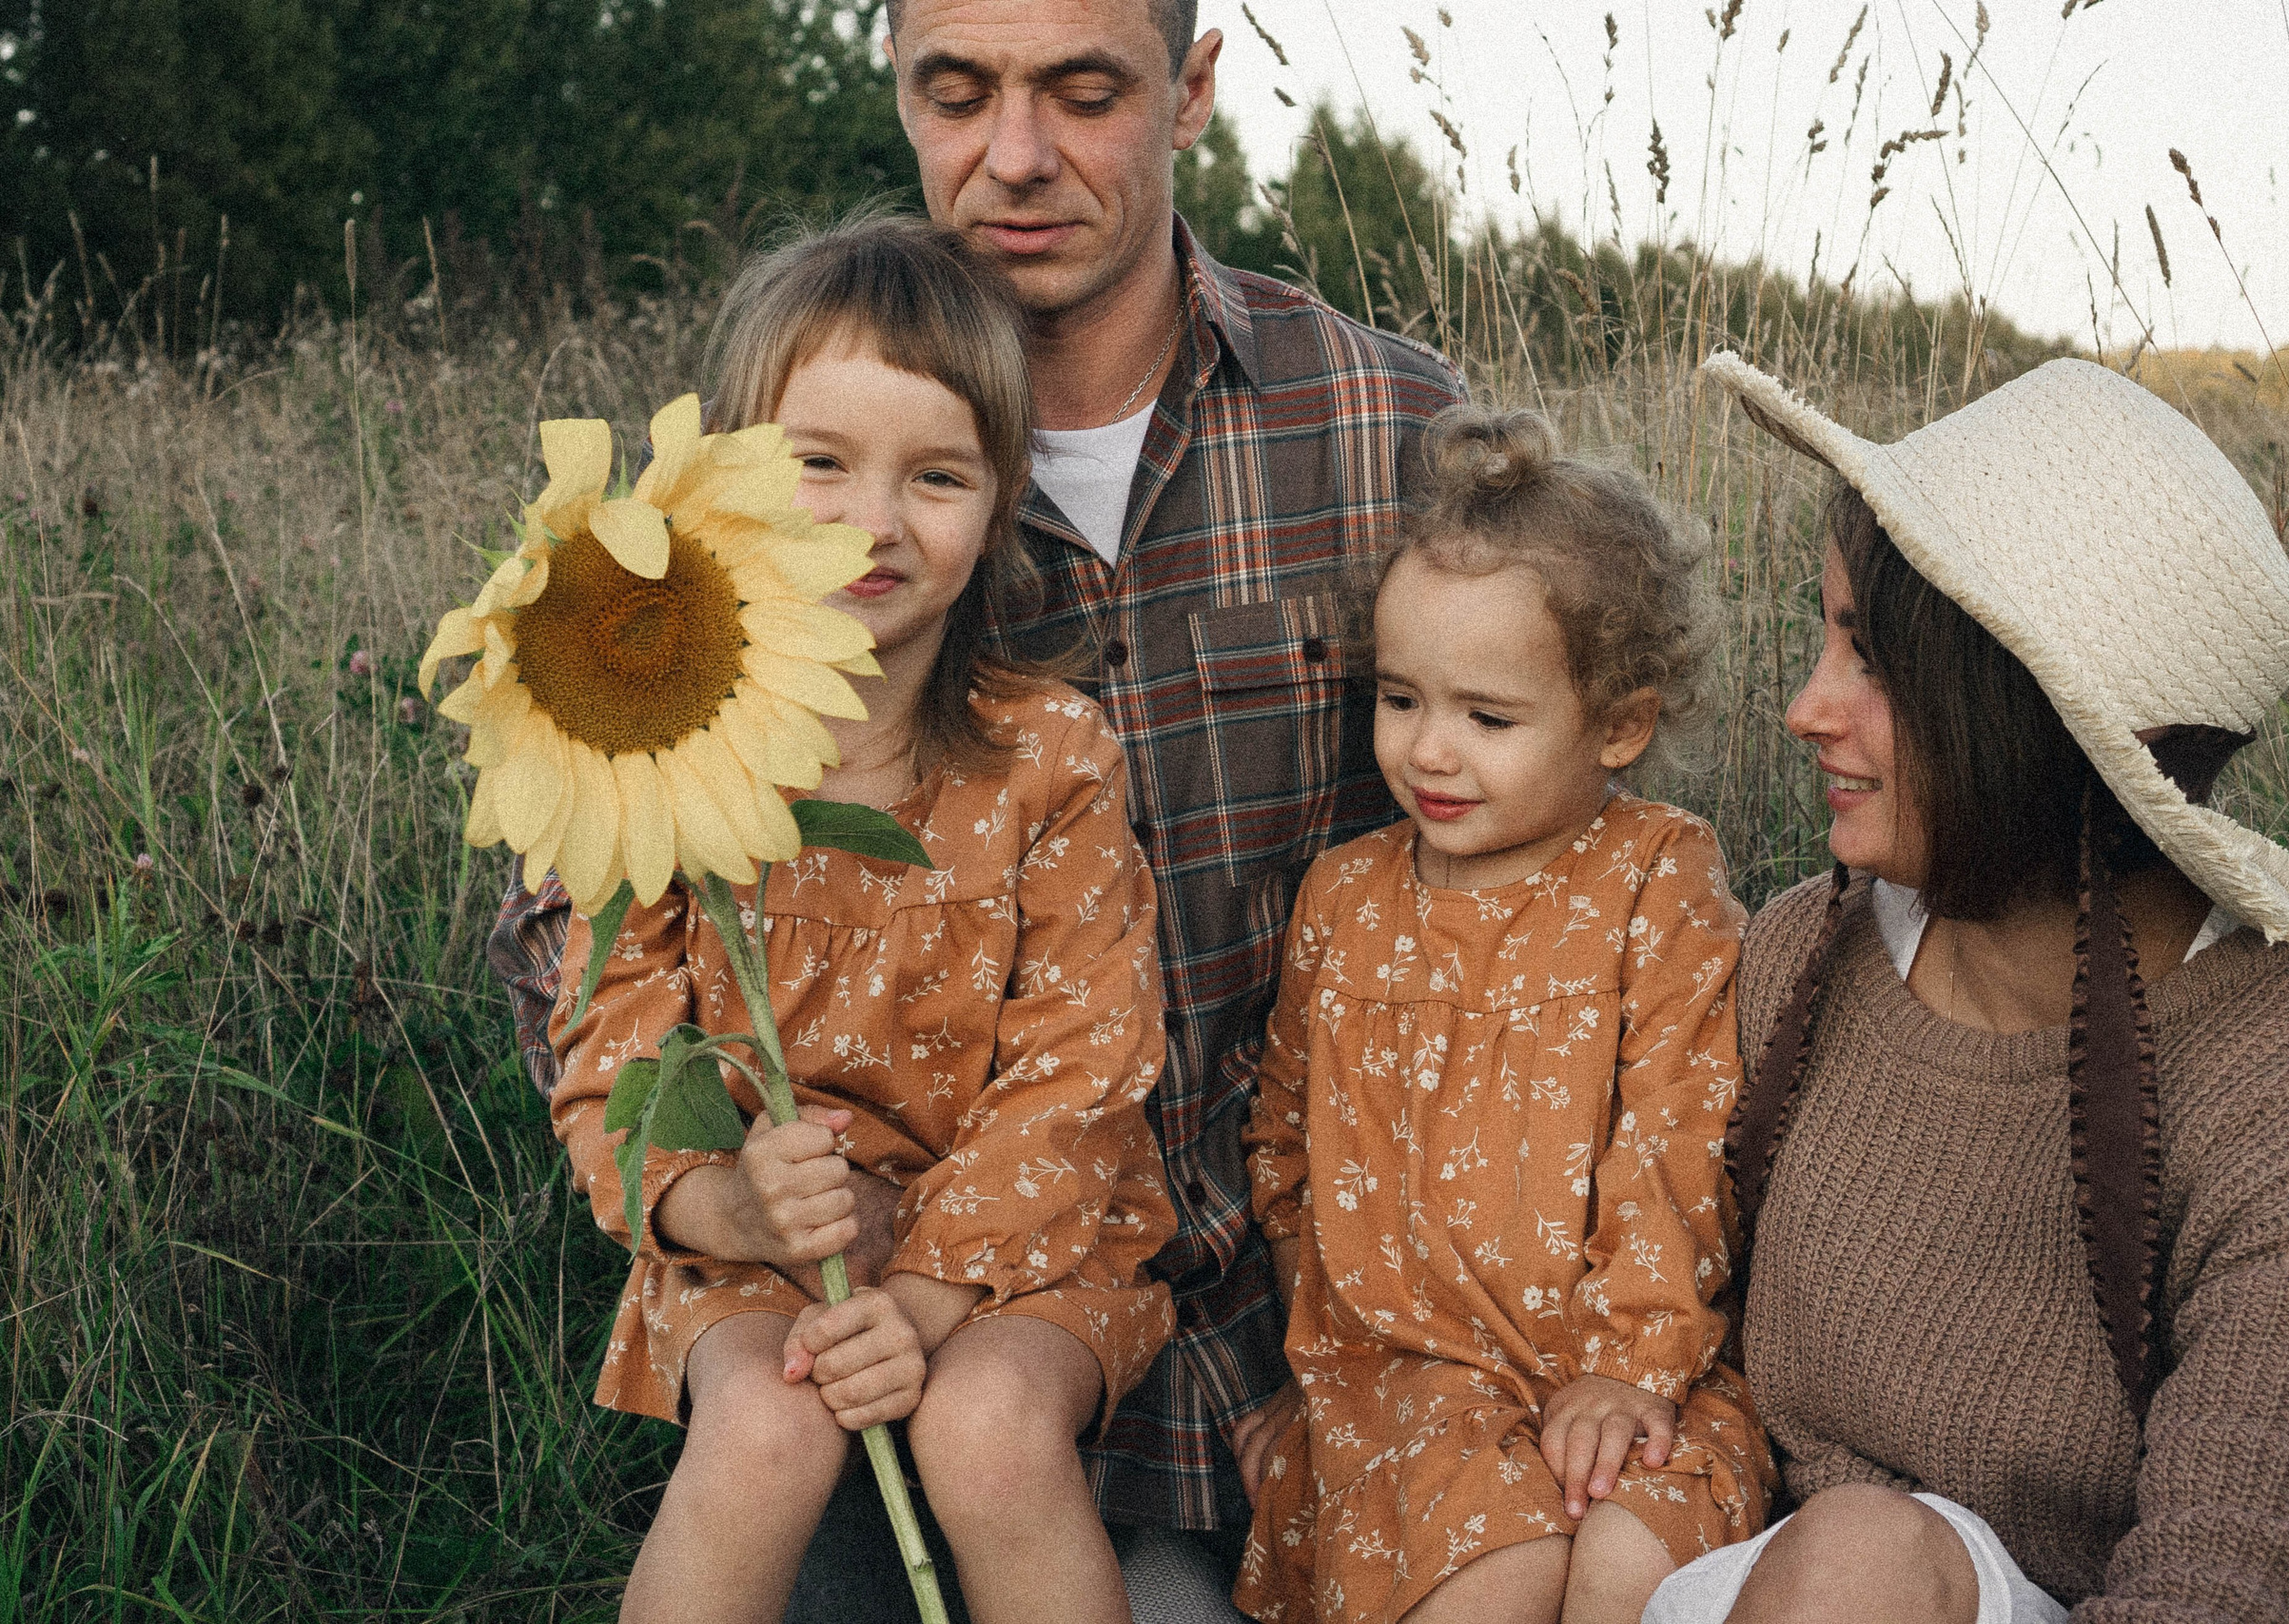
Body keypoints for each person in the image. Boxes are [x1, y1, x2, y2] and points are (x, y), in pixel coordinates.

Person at [491, 1, 1462, 1615]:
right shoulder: (730, 542)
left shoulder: (1386, 433)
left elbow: (1529, 867)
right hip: (811, 1317)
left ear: (1193, 89)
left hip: (1230, 1333)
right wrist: (722, 1188)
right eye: (958, 91)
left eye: (1084, 92)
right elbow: (584, 962)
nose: (1015, 157)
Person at [1643, 352, 2289, 1622]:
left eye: (1876, 659)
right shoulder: (1799, 957)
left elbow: (2246, 1579)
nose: (1805, 707)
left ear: (2023, 714)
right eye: (1824, 632)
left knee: (1856, 1562)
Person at [547, 216, 1177, 1624]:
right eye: (816, 464)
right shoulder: (659, 759)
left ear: (1005, 498)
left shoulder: (1050, 756)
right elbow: (612, 1058)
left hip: (1024, 1249)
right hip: (761, 1236)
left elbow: (1083, 1068)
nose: (874, 521)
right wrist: (728, 1196)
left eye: (936, 475)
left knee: (987, 1433)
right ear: (721, 484)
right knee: (765, 1429)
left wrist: (935, 1293)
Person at [1229, 408, 1772, 1624]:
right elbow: (1285, 1146)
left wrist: (1629, 1370)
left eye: (1487, 717)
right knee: (1497, 1575)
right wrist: (1315, 1366)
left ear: (1618, 725)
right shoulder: (1348, 894)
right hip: (1414, 1382)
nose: (1430, 751)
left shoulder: (1651, 875)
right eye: (1400, 698)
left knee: (1634, 1555)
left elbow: (1685, 1136)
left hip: (1637, 1360)